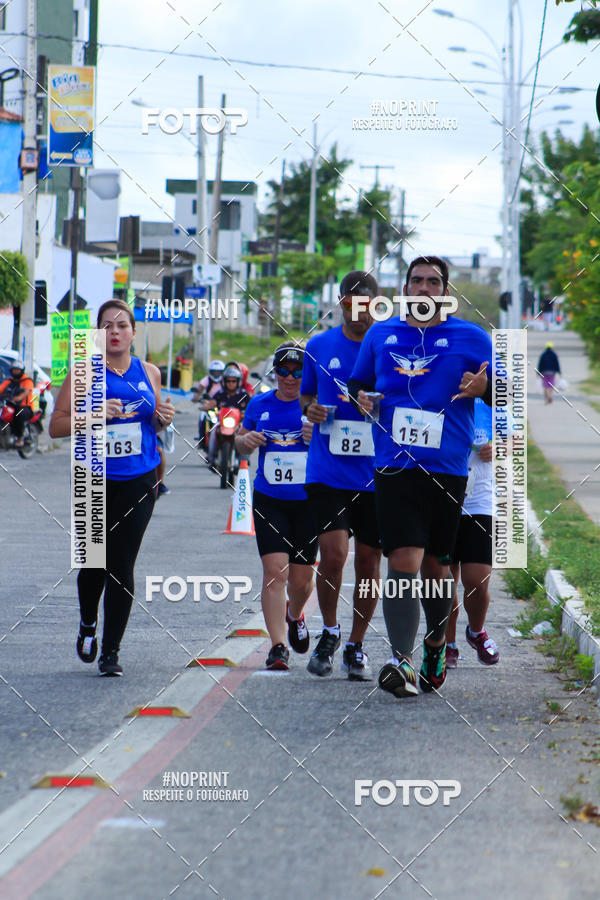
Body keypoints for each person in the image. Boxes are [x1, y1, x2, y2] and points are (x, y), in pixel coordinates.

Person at [349, 255, 495, 699]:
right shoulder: (381, 333)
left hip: (448, 468)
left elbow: (510, 391)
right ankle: (401, 660)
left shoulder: (471, 337)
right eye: (417, 281)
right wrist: (362, 400)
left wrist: (483, 388)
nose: (425, 288)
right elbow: (359, 385)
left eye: (434, 282)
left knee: (436, 567)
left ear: (446, 292)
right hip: (393, 465)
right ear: (405, 288)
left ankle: (435, 641)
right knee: (403, 562)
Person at [49, 298, 174, 676]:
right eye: (107, 326)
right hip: (93, 478)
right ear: (98, 334)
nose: (115, 331)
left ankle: (111, 651)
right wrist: (93, 414)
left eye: (122, 325)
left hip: (139, 477)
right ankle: (88, 623)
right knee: (93, 563)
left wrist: (161, 418)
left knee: (121, 563)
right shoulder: (84, 373)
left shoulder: (148, 371)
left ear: (134, 333)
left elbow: (153, 424)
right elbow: (55, 426)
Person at [300, 270, 382, 681]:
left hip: (376, 474)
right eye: (349, 302)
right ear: (340, 301)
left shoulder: (388, 344)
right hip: (328, 471)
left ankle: (356, 644)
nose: (355, 311)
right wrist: (310, 411)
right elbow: (307, 396)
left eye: (364, 303)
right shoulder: (319, 345)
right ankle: (329, 631)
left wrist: (379, 408)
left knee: (369, 561)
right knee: (334, 555)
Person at [235, 344, 316, 670]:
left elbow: (338, 443)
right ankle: (278, 645)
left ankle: (294, 615)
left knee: (301, 579)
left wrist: (317, 436)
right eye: (283, 371)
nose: (290, 378)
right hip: (270, 498)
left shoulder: (315, 405)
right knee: (274, 572)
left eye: (297, 372)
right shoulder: (260, 403)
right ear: (275, 372)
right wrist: (247, 441)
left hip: (309, 500)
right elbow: (240, 441)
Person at [445, 397, 499, 668]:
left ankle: (476, 631)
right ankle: (448, 644)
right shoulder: (438, 396)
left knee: (477, 581)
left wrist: (497, 447)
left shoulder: (490, 404)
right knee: (444, 580)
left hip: (479, 502)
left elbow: (515, 439)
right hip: (443, 499)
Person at [203, 365, 251, 467]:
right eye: (228, 381)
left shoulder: (244, 394)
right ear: (224, 381)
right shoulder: (220, 393)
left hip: (238, 422)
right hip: (223, 423)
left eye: (233, 381)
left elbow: (252, 407)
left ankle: (244, 459)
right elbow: (212, 402)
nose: (231, 384)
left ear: (238, 382)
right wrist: (206, 406)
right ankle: (211, 458)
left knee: (245, 433)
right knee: (213, 431)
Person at [0, 360, 35, 447]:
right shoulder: (9, 381)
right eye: (14, 370)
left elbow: (27, 391)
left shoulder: (27, 380)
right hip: (11, 405)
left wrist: (19, 398)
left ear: (21, 370)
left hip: (25, 407)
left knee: (18, 414)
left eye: (18, 370)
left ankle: (20, 439)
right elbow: (1, 389)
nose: (16, 371)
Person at [192, 359, 225, 442]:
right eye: (214, 372)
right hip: (208, 403)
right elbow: (199, 390)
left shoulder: (226, 381)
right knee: (202, 416)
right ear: (210, 372)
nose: (216, 374)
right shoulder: (206, 380)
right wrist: (196, 397)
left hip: (222, 404)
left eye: (218, 372)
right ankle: (201, 437)